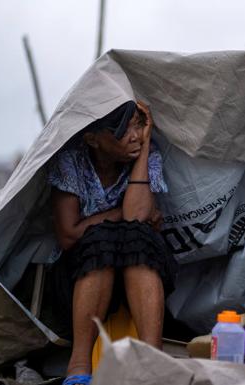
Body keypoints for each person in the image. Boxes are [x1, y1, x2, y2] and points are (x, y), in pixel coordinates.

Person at [47, 101, 177, 385]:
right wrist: (119, 215)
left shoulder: (147, 155)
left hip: (135, 273)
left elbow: (136, 216)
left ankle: (154, 364)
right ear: (93, 138)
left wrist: (142, 155)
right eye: (123, 130)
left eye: (137, 125)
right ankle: (79, 367)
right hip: (79, 280)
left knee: (138, 237)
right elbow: (69, 236)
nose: (135, 135)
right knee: (104, 238)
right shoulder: (72, 162)